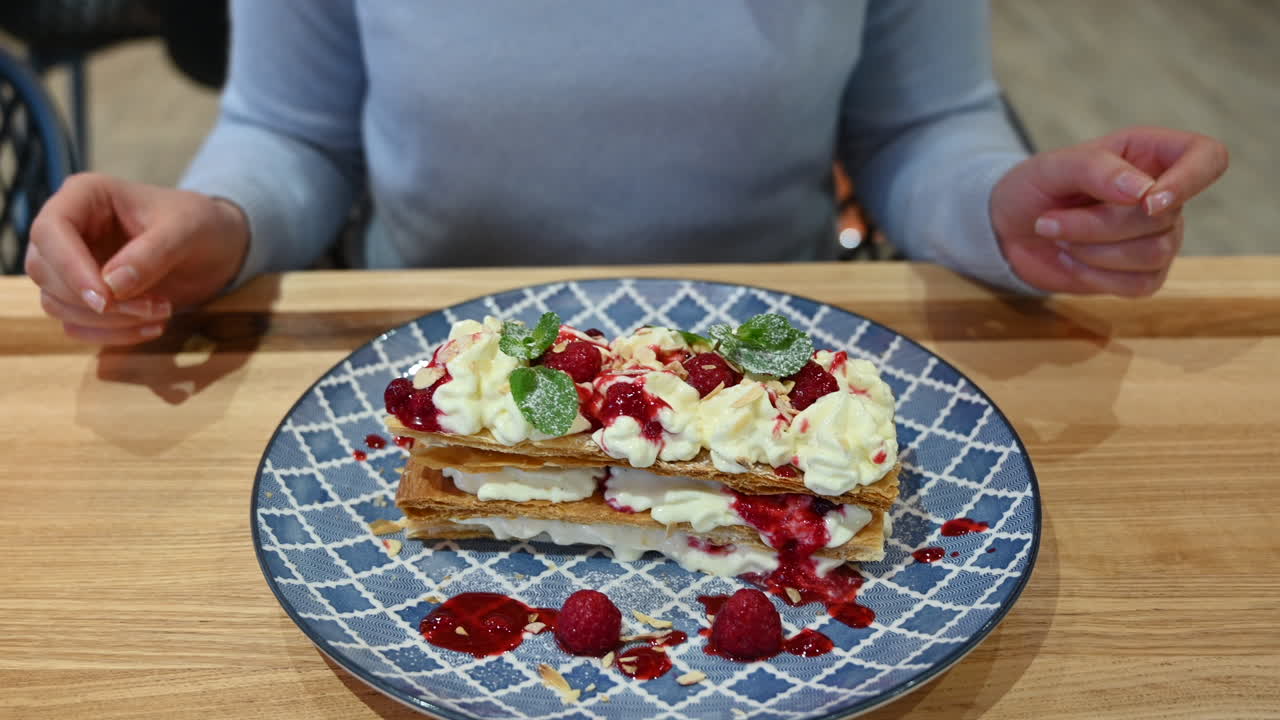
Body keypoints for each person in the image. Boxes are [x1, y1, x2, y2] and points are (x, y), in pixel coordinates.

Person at [25, 1, 1228, 346]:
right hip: (424, 360)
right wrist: (212, 222)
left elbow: (919, 123)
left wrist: (999, 206)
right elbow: (296, 133)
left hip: (777, 354)